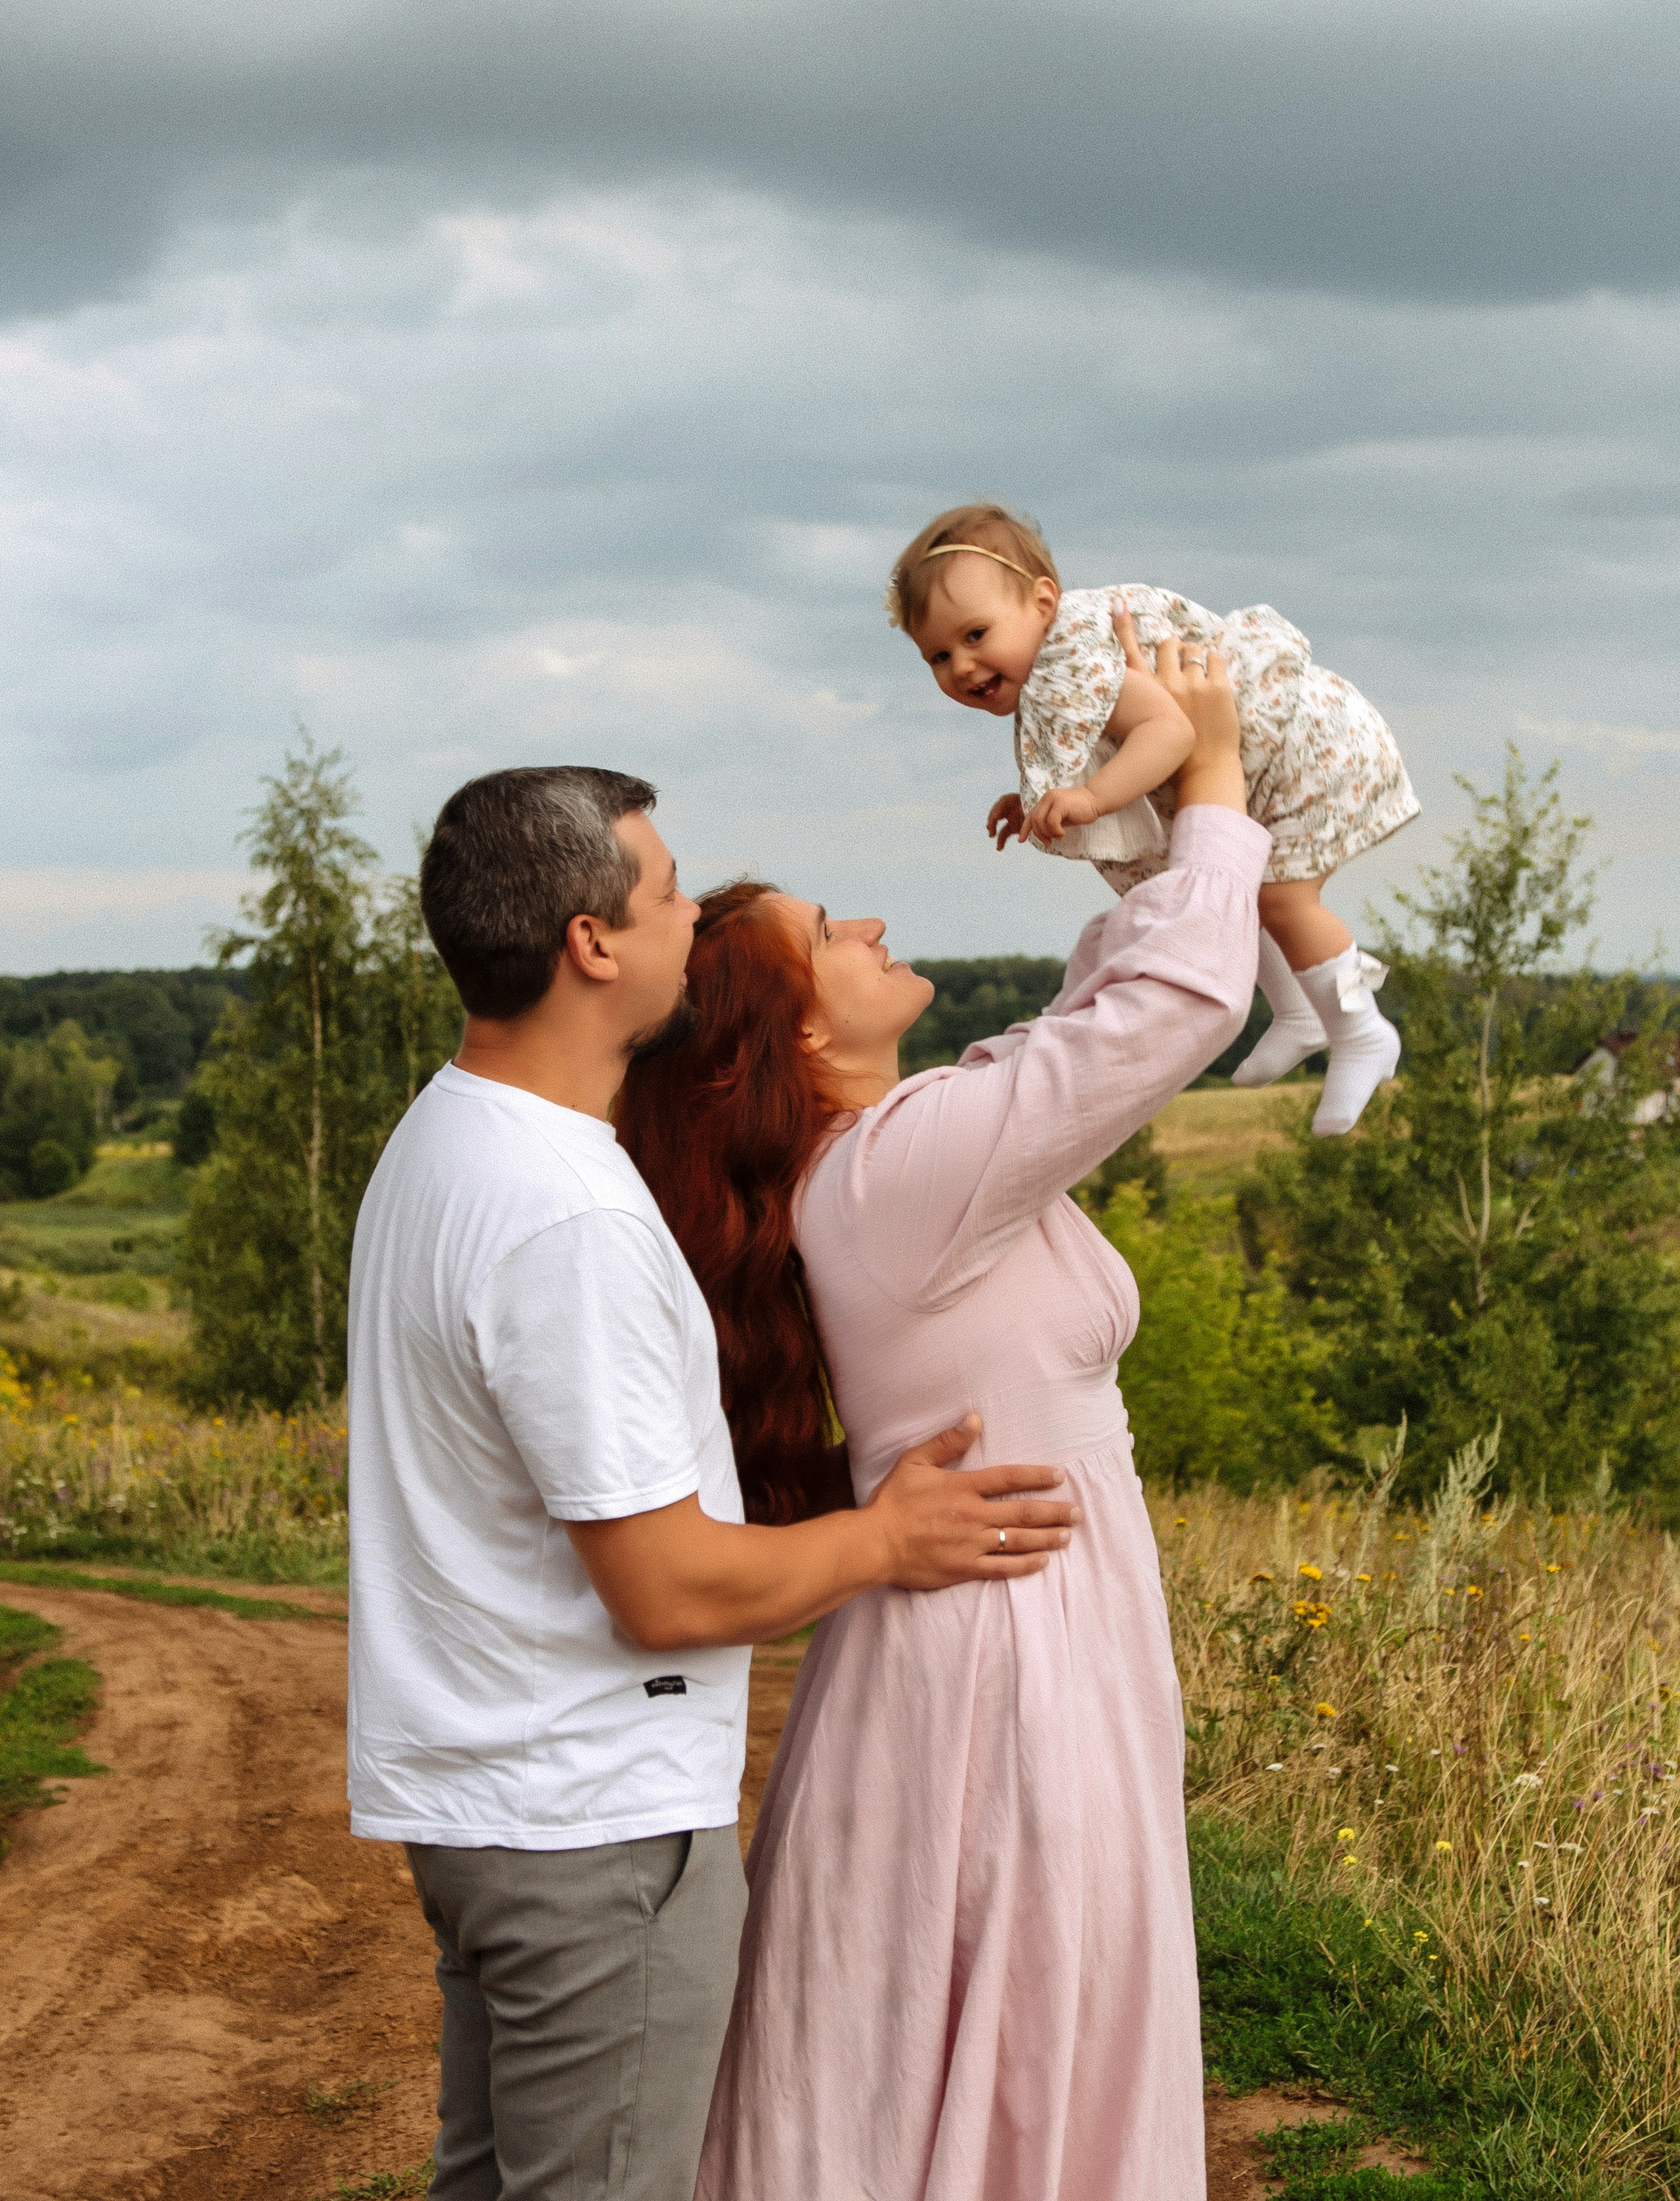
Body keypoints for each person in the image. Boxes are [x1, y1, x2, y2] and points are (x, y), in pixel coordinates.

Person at [345, 766, 1081, 2201]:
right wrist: (886, 1539)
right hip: (588, 1828)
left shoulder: (441, 1146)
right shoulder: (565, 1216)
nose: (694, 916)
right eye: (669, 890)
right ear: (591, 943)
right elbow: (668, 1590)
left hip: (489, 1802)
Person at [616, 650, 1269, 2200]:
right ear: (795, 1039)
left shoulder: (896, 1165)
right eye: (834, 934)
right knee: (1031, 2040)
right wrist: (1217, 774)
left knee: (999, 2044)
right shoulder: (895, 1175)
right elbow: (1174, 1000)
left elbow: (1099, 1003)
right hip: (1003, 1671)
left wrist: (1125, 821)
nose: (877, 925)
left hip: (1023, 1640)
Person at [885, 501, 1419, 1135]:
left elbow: (1170, 732)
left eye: (975, 636)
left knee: (1281, 898)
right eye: (938, 657)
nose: (962, 666)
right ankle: (1299, 1013)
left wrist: (1090, 799)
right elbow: (1099, 740)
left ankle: (1361, 1030)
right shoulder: (1048, 667)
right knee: (1236, 890)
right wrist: (1033, 796)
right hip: (1259, 758)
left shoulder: (1066, 661)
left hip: (1303, 747)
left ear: (1042, 602)